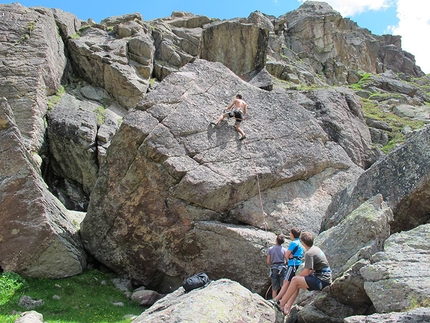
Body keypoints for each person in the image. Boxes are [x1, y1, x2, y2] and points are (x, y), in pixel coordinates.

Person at [278, 231, 332, 315]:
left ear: (302, 242)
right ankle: (287, 307)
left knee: (295, 280)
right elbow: (312, 269)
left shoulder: (309, 253)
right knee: (297, 284)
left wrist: (296, 278)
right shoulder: (316, 249)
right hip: (325, 279)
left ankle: (281, 303)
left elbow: (306, 272)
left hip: (321, 281)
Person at [272, 227, 304, 305]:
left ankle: (277, 299)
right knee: (294, 285)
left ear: (292, 234)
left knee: (286, 282)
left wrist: (288, 259)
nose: (289, 234)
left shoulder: (293, 243)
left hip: (292, 264)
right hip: (298, 264)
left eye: (290, 233)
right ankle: (286, 303)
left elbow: (286, 255)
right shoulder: (300, 243)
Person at [266, 234, 288, 299]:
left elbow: (268, 261)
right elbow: (287, 261)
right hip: (282, 268)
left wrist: (272, 263)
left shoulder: (270, 249)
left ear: (276, 240)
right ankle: (282, 302)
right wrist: (284, 263)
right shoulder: (284, 250)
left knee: (274, 288)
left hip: (274, 268)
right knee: (283, 287)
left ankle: (274, 302)